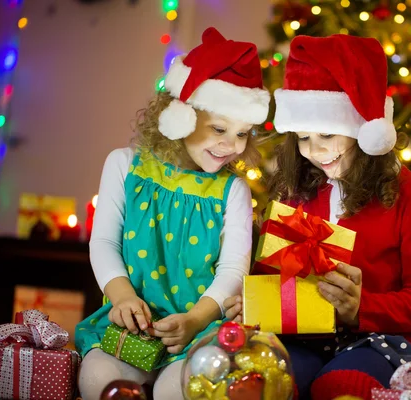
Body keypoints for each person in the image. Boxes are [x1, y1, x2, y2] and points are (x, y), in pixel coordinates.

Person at [224, 33, 411, 400]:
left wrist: (362, 306)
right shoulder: (297, 191)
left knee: (342, 387)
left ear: (363, 129)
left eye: (328, 133)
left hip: (375, 342)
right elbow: (271, 276)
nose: (316, 151)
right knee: (265, 379)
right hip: (300, 337)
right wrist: (252, 301)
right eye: (304, 138)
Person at [75, 27, 270, 400]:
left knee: (175, 391)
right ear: (180, 114)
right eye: (219, 128)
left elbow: (233, 270)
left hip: (199, 332)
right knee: (99, 379)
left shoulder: (234, 191)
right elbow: (103, 242)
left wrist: (195, 320)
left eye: (243, 133)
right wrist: (122, 298)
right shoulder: (124, 166)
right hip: (133, 326)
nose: (231, 145)